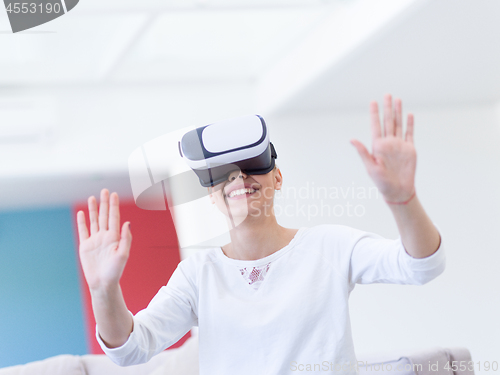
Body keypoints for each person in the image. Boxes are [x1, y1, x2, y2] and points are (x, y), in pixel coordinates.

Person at [76, 95, 445, 374]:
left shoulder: (329, 246)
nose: (239, 178)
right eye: (221, 172)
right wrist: (103, 290)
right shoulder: (198, 275)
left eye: (253, 165)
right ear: (211, 194)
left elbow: (421, 266)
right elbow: (131, 349)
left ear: (278, 178)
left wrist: (403, 200)